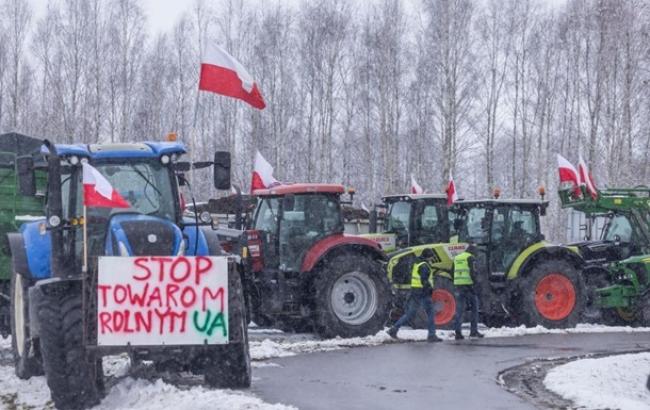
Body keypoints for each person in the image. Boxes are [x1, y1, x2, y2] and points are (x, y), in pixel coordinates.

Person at [387, 248, 442, 343]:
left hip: (415, 292)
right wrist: (429, 289)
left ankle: (394, 329)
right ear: (428, 256)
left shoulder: (417, 263)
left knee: (410, 313)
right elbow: (424, 280)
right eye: (431, 257)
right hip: (423, 293)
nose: (431, 259)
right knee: (431, 313)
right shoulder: (424, 266)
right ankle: (432, 335)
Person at [453, 244, 484, 340]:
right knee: (474, 309)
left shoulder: (457, 258)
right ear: (473, 251)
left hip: (458, 286)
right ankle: (473, 332)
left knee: (459, 310)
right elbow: (472, 272)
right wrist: (476, 284)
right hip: (469, 286)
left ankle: (458, 332)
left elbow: (452, 270)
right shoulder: (471, 258)